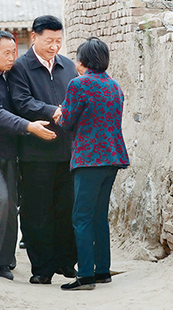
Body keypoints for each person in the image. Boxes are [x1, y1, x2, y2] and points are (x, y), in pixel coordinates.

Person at [0, 31, 56, 280]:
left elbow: (21, 103)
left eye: (14, 52)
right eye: (6, 53)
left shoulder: (8, 76)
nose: (12, 57)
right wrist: (29, 127)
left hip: (7, 146)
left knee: (12, 202)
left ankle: (5, 262)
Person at [7, 15, 79, 284]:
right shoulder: (20, 68)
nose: (54, 46)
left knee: (66, 208)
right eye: (49, 40)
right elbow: (21, 102)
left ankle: (65, 261)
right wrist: (53, 111)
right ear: (34, 37)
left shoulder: (68, 66)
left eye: (58, 41)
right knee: (37, 212)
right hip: (35, 154)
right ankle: (42, 268)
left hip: (68, 151)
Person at [55, 37, 130, 291]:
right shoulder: (115, 86)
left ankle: (86, 275)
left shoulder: (79, 84)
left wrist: (59, 113)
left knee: (82, 217)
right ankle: (102, 270)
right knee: (99, 216)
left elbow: (66, 122)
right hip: (113, 157)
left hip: (88, 159)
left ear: (83, 61)